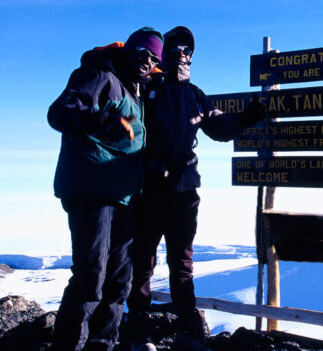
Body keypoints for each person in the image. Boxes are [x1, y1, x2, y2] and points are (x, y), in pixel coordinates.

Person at [126, 26, 265, 350]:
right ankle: (139, 331)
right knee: (142, 261)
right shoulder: (147, 88)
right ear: (165, 52)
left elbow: (218, 128)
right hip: (150, 190)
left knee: (182, 263)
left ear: (192, 55)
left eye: (187, 49)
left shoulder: (196, 95)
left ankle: (188, 330)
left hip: (185, 190)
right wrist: (150, 162)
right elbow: (132, 129)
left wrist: (247, 118)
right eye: (175, 47)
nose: (181, 53)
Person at [48, 27, 164, 351]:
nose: (147, 60)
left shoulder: (135, 91)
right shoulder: (99, 74)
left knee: (119, 279)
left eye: (153, 57)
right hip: (91, 188)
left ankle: (102, 344)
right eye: (142, 52)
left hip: (123, 194)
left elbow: (134, 141)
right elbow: (60, 112)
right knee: (91, 276)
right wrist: (102, 121)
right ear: (129, 49)